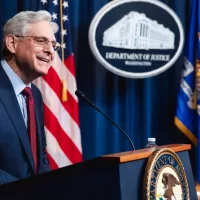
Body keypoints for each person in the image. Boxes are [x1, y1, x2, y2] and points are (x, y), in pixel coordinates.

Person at [0, 10, 60, 184]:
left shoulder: (34, 94)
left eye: (54, 45)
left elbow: (38, 154)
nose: (50, 51)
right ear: (12, 43)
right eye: (41, 41)